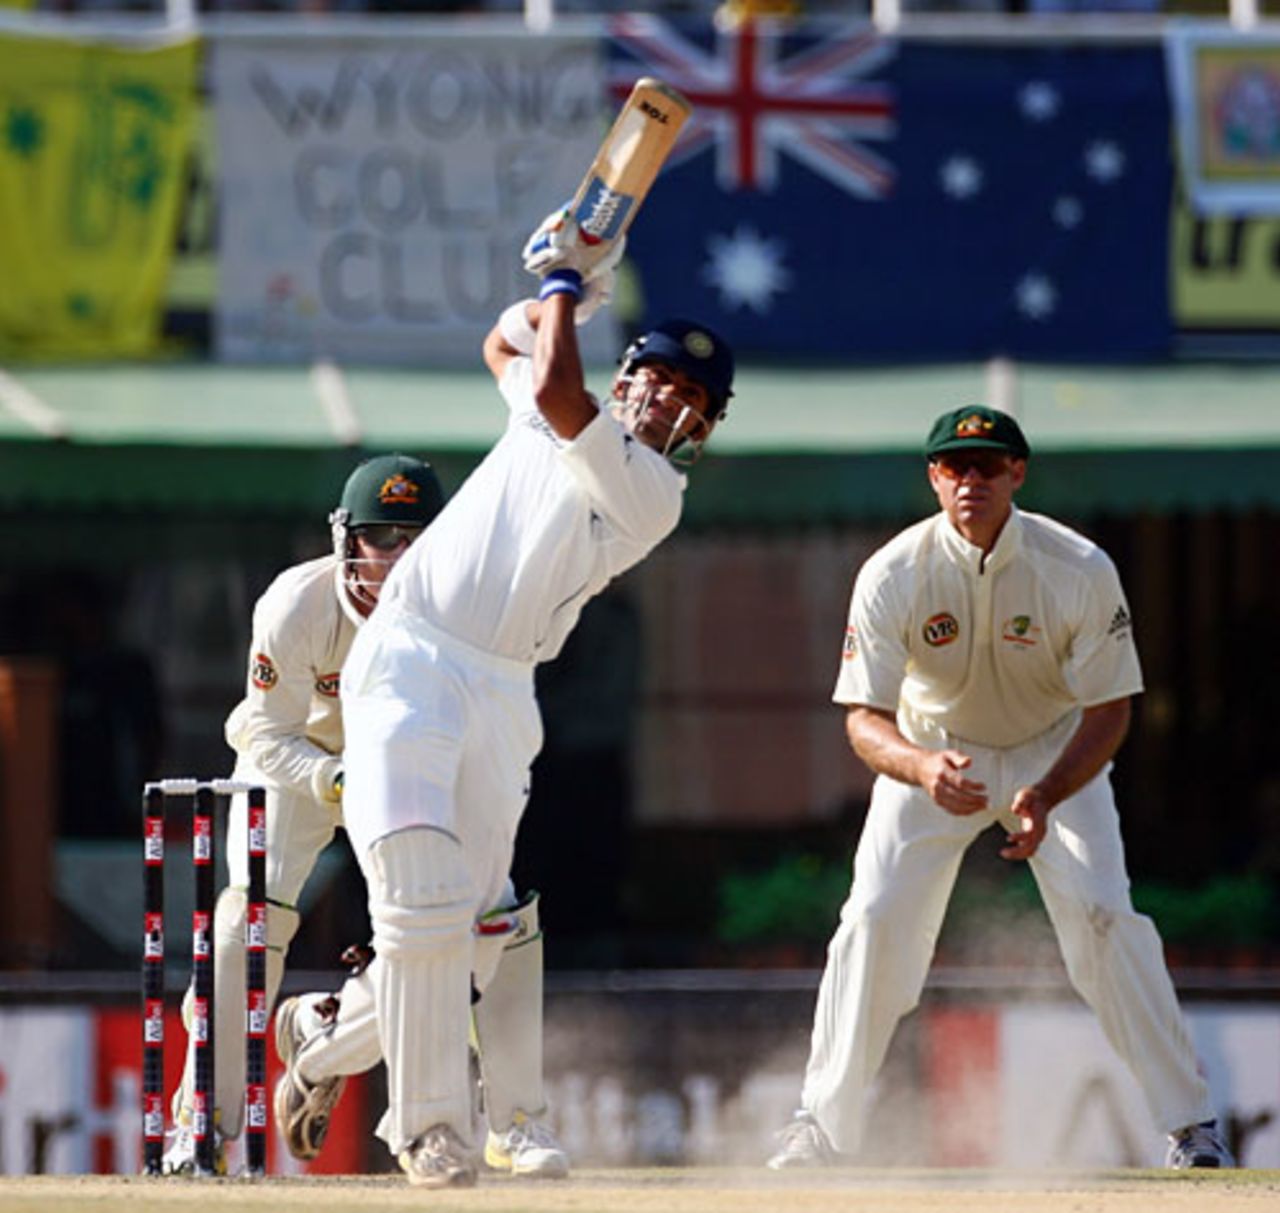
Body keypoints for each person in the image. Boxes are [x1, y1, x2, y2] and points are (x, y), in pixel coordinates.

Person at [319, 212, 735, 1187]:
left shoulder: (651, 488)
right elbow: (504, 349)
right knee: (419, 900)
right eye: (656, 376)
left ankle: (320, 1041)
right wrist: (572, 290)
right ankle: (430, 1128)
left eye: (689, 397)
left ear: (702, 430)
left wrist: (562, 284)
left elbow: (550, 383)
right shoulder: (553, 406)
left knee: (474, 941)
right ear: (626, 375)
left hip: (505, 691)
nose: (665, 398)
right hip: (413, 656)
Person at [766, 406, 1234, 1172]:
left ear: (1018, 473)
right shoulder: (893, 572)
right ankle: (818, 1125)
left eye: (987, 465)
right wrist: (921, 766)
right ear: (934, 477)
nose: (970, 480)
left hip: (1053, 751)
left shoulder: (1078, 566)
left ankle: (1192, 1125)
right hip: (935, 750)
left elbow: (1110, 709)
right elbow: (864, 719)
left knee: (1106, 920)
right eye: (955, 466)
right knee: (874, 918)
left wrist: (1047, 792)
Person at [163, 453, 444, 1173]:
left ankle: (323, 1041)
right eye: (382, 537)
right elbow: (266, 732)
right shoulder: (297, 603)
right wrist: (336, 778)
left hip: (403, 772)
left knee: (444, 935)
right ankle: (204, 1123)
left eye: (415, 537)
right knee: (245, 926)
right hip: (300, 763)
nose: (397, 556)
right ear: (347, 538)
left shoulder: (457, 611)